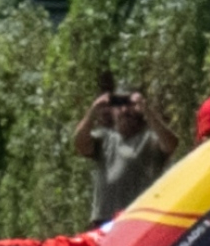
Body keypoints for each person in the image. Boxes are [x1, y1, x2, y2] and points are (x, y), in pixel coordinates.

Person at [72, 87, 178, 222]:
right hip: (105, 219)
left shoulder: (150, 139)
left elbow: (171, 144)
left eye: (129, 105)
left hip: (140, 218)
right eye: (118, 105)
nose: (124, 110)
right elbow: (80, 144)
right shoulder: (104, 138)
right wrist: (93, 111)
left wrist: (147, 110)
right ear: (111, 111)